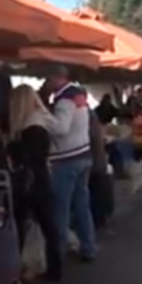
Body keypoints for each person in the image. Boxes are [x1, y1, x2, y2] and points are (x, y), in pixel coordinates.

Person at [5, 85, 62, 281]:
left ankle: (13, 268)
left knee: (20, 224)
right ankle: (54, 268)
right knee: (48, 225)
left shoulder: (31, 128)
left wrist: (12, 147)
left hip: (29, 182)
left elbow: (28, 156)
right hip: (41, 178)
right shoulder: (41, 122)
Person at [41, 66, 96, 263]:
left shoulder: (64, 99)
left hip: (67, 158)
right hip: (84, 154)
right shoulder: (79, 95)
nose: (46, 82)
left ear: (57, 77)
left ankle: (58, 254)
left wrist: (42, 115)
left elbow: (61, 128)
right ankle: (88, 247)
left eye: (48, 78)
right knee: (82, 205)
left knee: (61, 207)